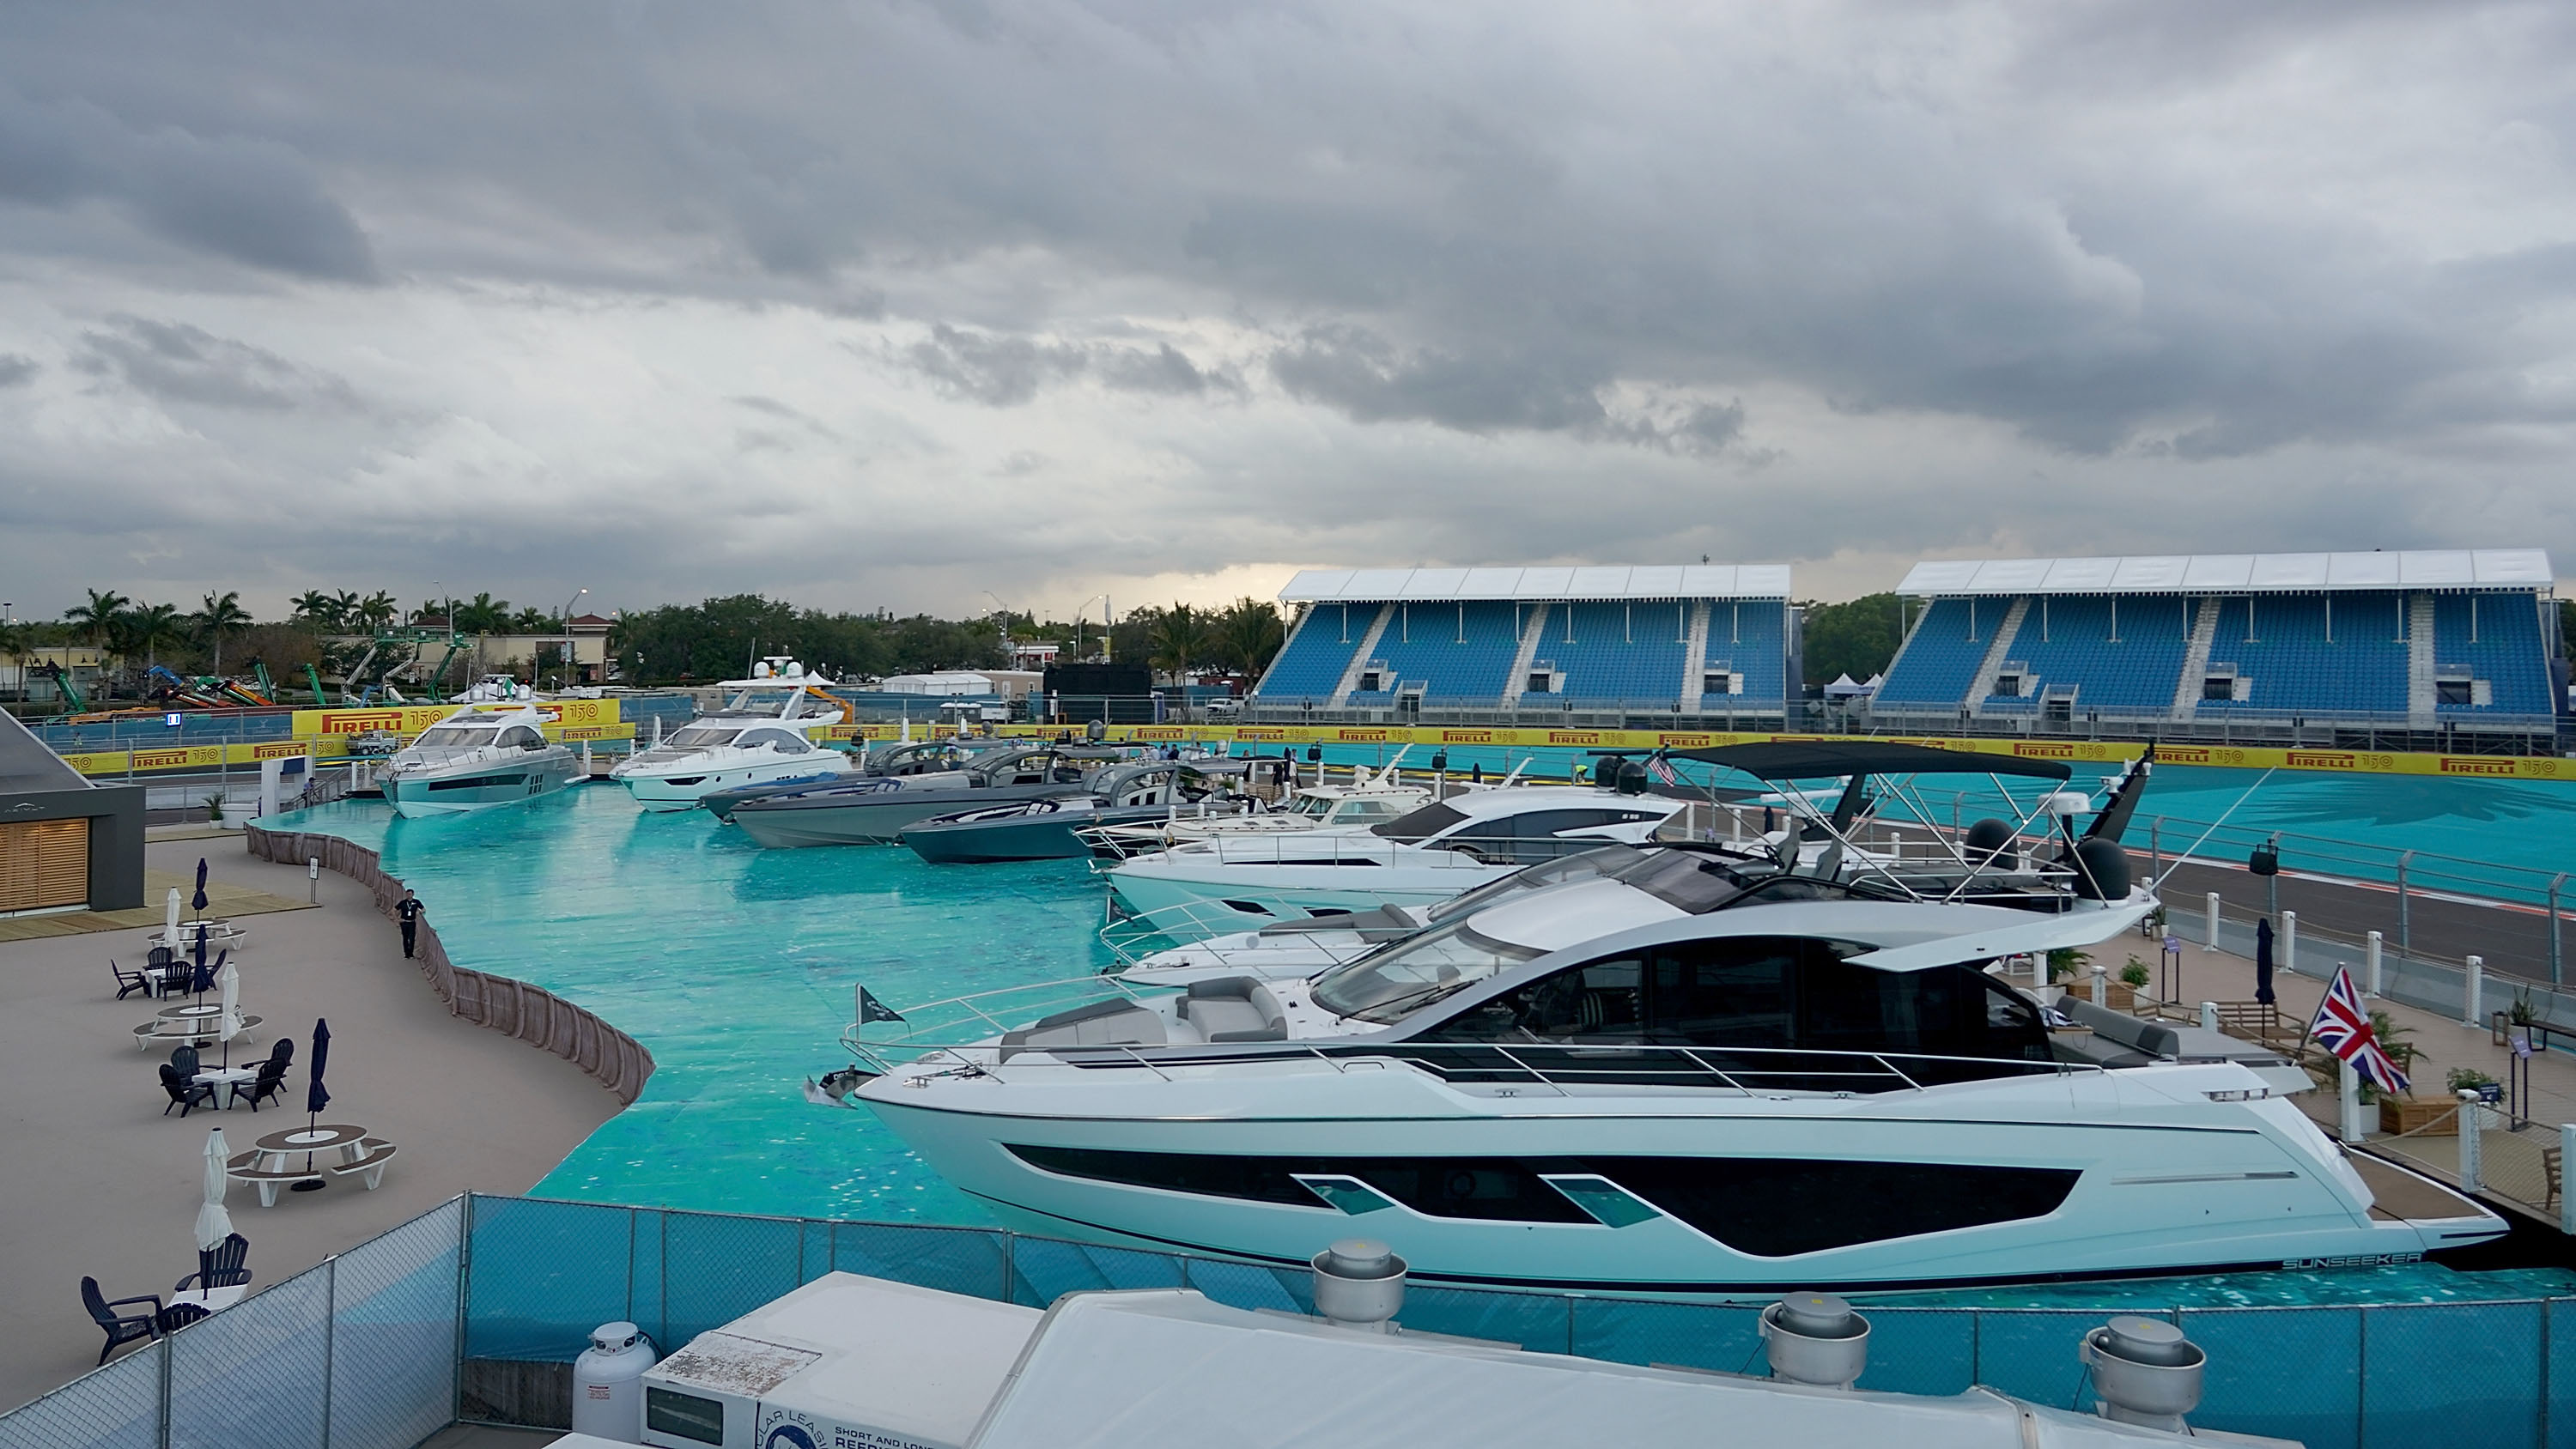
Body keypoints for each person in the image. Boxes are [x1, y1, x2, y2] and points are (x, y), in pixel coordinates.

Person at [396, 889, 424, 958]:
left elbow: (423, 909)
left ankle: (411, 953)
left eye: (410, 894)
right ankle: (406, 954)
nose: (409, 895)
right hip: (404, 923)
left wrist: (419, 912)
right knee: (405, 938)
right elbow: (394, 910)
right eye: (408, 894)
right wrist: (397, 919)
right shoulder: (403, 902)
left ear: (413, 894)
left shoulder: (416, 902)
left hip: (412, 922)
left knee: (411, 938)